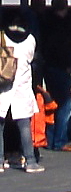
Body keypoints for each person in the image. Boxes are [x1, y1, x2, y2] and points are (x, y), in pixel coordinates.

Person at [0, 9, 44, 173]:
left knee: (0, 124)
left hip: (3, 84)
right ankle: (30, 161)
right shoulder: (31, 39)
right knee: (24, 125)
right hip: (22, 84)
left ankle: (0, 160)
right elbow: (32, 59)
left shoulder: (2, 36)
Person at [40, 0, 71, 151]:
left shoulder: (45, 23)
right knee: (65, 104)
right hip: (60, 68)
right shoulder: (62, 26)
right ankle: (60, 140)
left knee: (51, 103)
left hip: (48, 67)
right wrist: (68, 65)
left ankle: (49, 138)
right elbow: (62, 48)